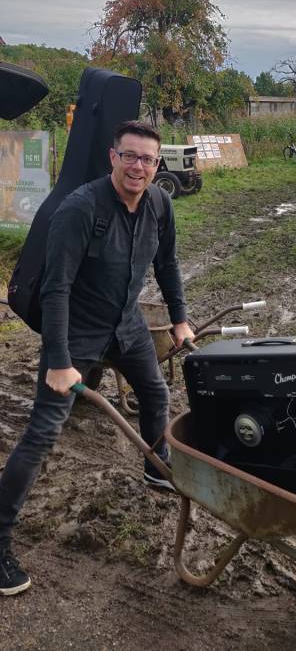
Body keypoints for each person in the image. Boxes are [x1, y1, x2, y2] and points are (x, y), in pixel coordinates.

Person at [0, 120, 193, 596]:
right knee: (44, 432)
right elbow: (55, 288)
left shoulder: (159, 205)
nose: (139, 167)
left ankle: (155, 464)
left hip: (127, 325)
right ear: (113, 156)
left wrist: (180, 319)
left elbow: (166, 264)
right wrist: (62, 360)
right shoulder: (81, 208)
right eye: (130, 156)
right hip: (77, 330)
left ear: (156, 164)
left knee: (155, 392)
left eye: (148, 159)